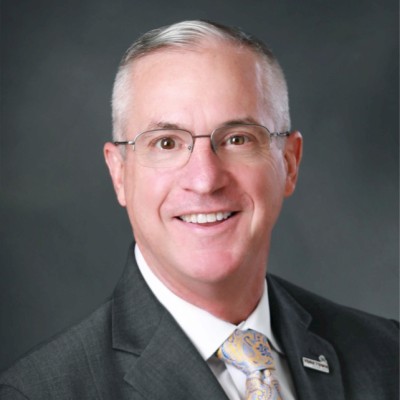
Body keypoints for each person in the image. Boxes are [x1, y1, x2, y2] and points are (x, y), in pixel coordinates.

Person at [0, 20, 398, 400]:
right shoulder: (42, 392)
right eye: (166, 143)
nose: (205, 180)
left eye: (238, 139)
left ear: (289, 163)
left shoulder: (388, 356)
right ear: (119, 173)